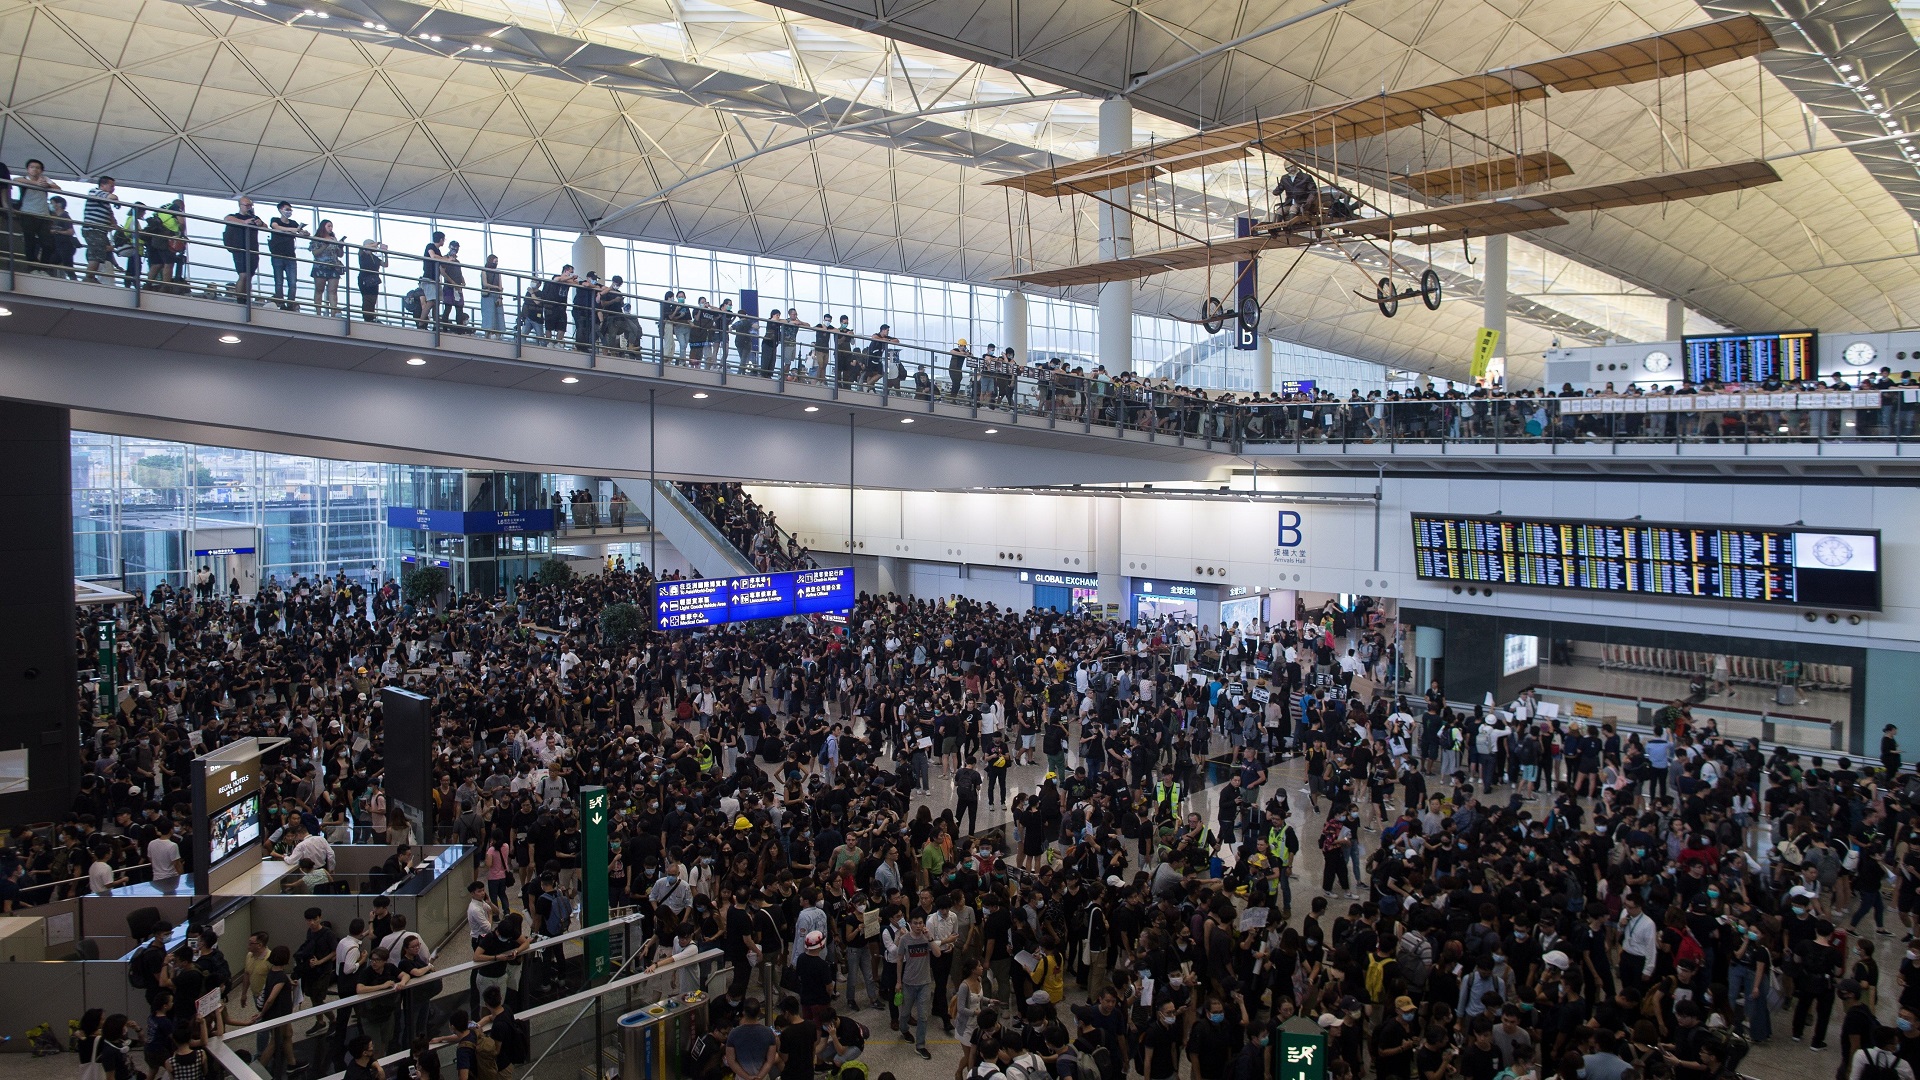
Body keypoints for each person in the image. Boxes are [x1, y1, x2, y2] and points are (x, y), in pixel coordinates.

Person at [221, 197, 266, 304]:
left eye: (250, 205)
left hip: (253, 249)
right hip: (239, 249)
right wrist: (244, 222)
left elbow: (265, 226)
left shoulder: (254, 218)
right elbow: (227, 219)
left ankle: (247, 298)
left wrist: (260, 224)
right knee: (243, 274)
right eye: (247, 205)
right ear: (240, 206)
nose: (249, 208)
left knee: (249, 275)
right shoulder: (234, 217)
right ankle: (240, 298)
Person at [267, 201, 310, 310]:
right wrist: (293, 230)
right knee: (279, 281)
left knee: (292, 282)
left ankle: (290, 304)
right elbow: (276, 227)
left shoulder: (293, 223)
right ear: (280, 210)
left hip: (290, 255)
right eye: (287, 209)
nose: (289, 212)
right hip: (277, 254)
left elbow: (299, 232)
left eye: (290, 210)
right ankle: (280, 303)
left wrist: (303, 232)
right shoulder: (275, 220)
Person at [310, 220, 347, 317]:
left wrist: (340, 247)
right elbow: (315, 253)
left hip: (333, 267)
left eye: (331, 226)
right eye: (329, 226)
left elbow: (340, 255)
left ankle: (333, 312)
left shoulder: (333, 238)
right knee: (319, 289)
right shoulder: (317, 238)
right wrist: (325, 245)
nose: (331, 228)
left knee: (333, 291)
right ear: (323, 227)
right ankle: (318, 313)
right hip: (320, 266)